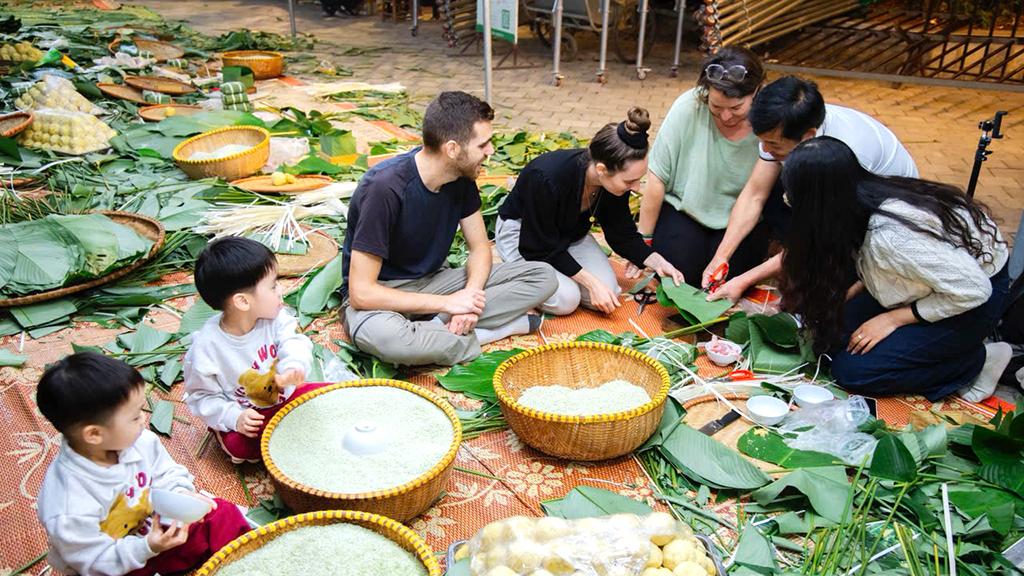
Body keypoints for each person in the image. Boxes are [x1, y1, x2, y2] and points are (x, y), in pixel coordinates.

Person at [35, 353, 251, 576]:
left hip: (163, 533)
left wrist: (181, 500)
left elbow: (169, 474)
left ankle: (254, 555)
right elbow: (93, 562)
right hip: (117, 565)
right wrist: (146, 547)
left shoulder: (138, 441)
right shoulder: (66, 502)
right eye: (134, 417)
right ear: (94, 434)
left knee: (220, 512)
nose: (143, 421)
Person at [779, 136, 1010, 402]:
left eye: (794, 196)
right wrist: (855, 291)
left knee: (853, 372)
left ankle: (977, 361)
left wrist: (894, 318)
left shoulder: (891, 236)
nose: (787, 199)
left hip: (974, 298)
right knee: (828, 339)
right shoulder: (854, 202)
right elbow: (889, 265)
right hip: (929, 284)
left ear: (819, 204)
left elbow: (974, 289)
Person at [342, 91, 557, 366]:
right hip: (382, 295)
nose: (490, 152)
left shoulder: (461, 177)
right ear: (453, 148)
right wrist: (448, 304)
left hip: (434, 281)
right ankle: (488, 332)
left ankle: (441, 330)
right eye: (483, 145)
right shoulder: (384, 188)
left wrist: (470, 298)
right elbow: (362, 293)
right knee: (391, 341)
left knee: (543, 276)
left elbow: (480, 247)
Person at [705, 75, 919, 302]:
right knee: (773, 193)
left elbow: (817, 236)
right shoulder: (788, 129)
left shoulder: (844, 155)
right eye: (762, 141)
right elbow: (755, 194)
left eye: (774, 144)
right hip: (824, 193)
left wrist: (744, 280)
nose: (765, 149)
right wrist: (721, 257)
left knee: (821, 286)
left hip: (878, 216)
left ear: (809, 136)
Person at [495, 107, 684, 315]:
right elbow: (540, 246)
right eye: (630, 181)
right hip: (526, 237)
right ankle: (510, 281)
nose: (637, 187)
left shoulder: (611, 184)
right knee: (566, 300)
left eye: (639, 179)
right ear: (602, 169)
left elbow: (621, 233)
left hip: (569, 236)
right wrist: (591, 283)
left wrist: (657, 262)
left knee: (609, 292)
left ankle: (555, 279)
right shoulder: (547, 177)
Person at [184, 237, 327, 464]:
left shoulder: (275, 318)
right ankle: (224, 434)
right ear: (242, 301)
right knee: (242, 448)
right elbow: (202, 397)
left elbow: (295, 342)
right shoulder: (206, 349)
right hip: (251, 414)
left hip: (286, 398)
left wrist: (294, 366)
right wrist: (235, 417)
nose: (281, 291)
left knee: (330, 398)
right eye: (273, 285)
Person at [635, 46, 767, 285]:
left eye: (736, 108)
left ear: (756, 92)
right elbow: (657, 177)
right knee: (678, 274)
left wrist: (721, 257)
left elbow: (756, 197)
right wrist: (642, 243)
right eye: (716, 107)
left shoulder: (768, 121)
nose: (726, 116)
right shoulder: (689, 105)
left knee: (726, 280)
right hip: (685, 210)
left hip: (741, 219)